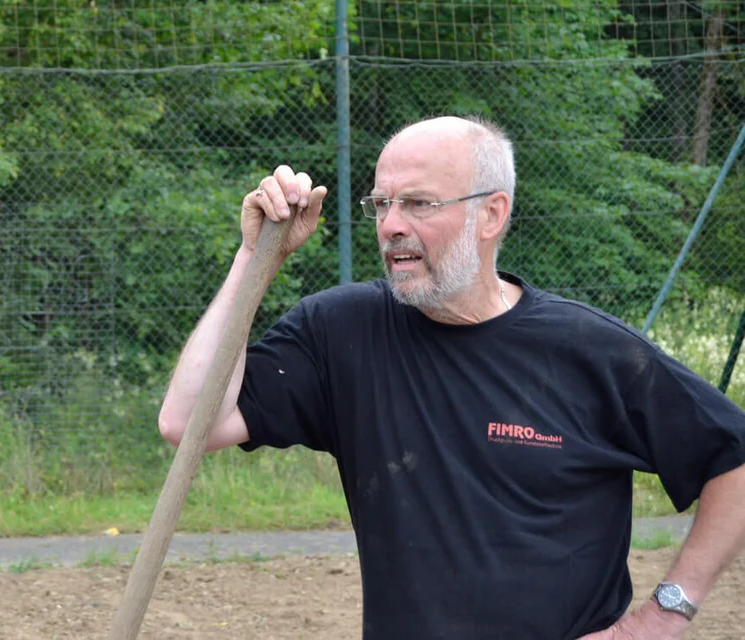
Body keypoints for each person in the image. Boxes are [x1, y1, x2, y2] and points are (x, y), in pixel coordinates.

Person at [157, 115, 745, 639]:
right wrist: (255, 258)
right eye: (381, 204)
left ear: (491, 214)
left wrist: (662, 618)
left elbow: (735, 458)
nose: (391, 225)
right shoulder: (343, 333)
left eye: (418, 203)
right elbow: (188, 421)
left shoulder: (590, 351)